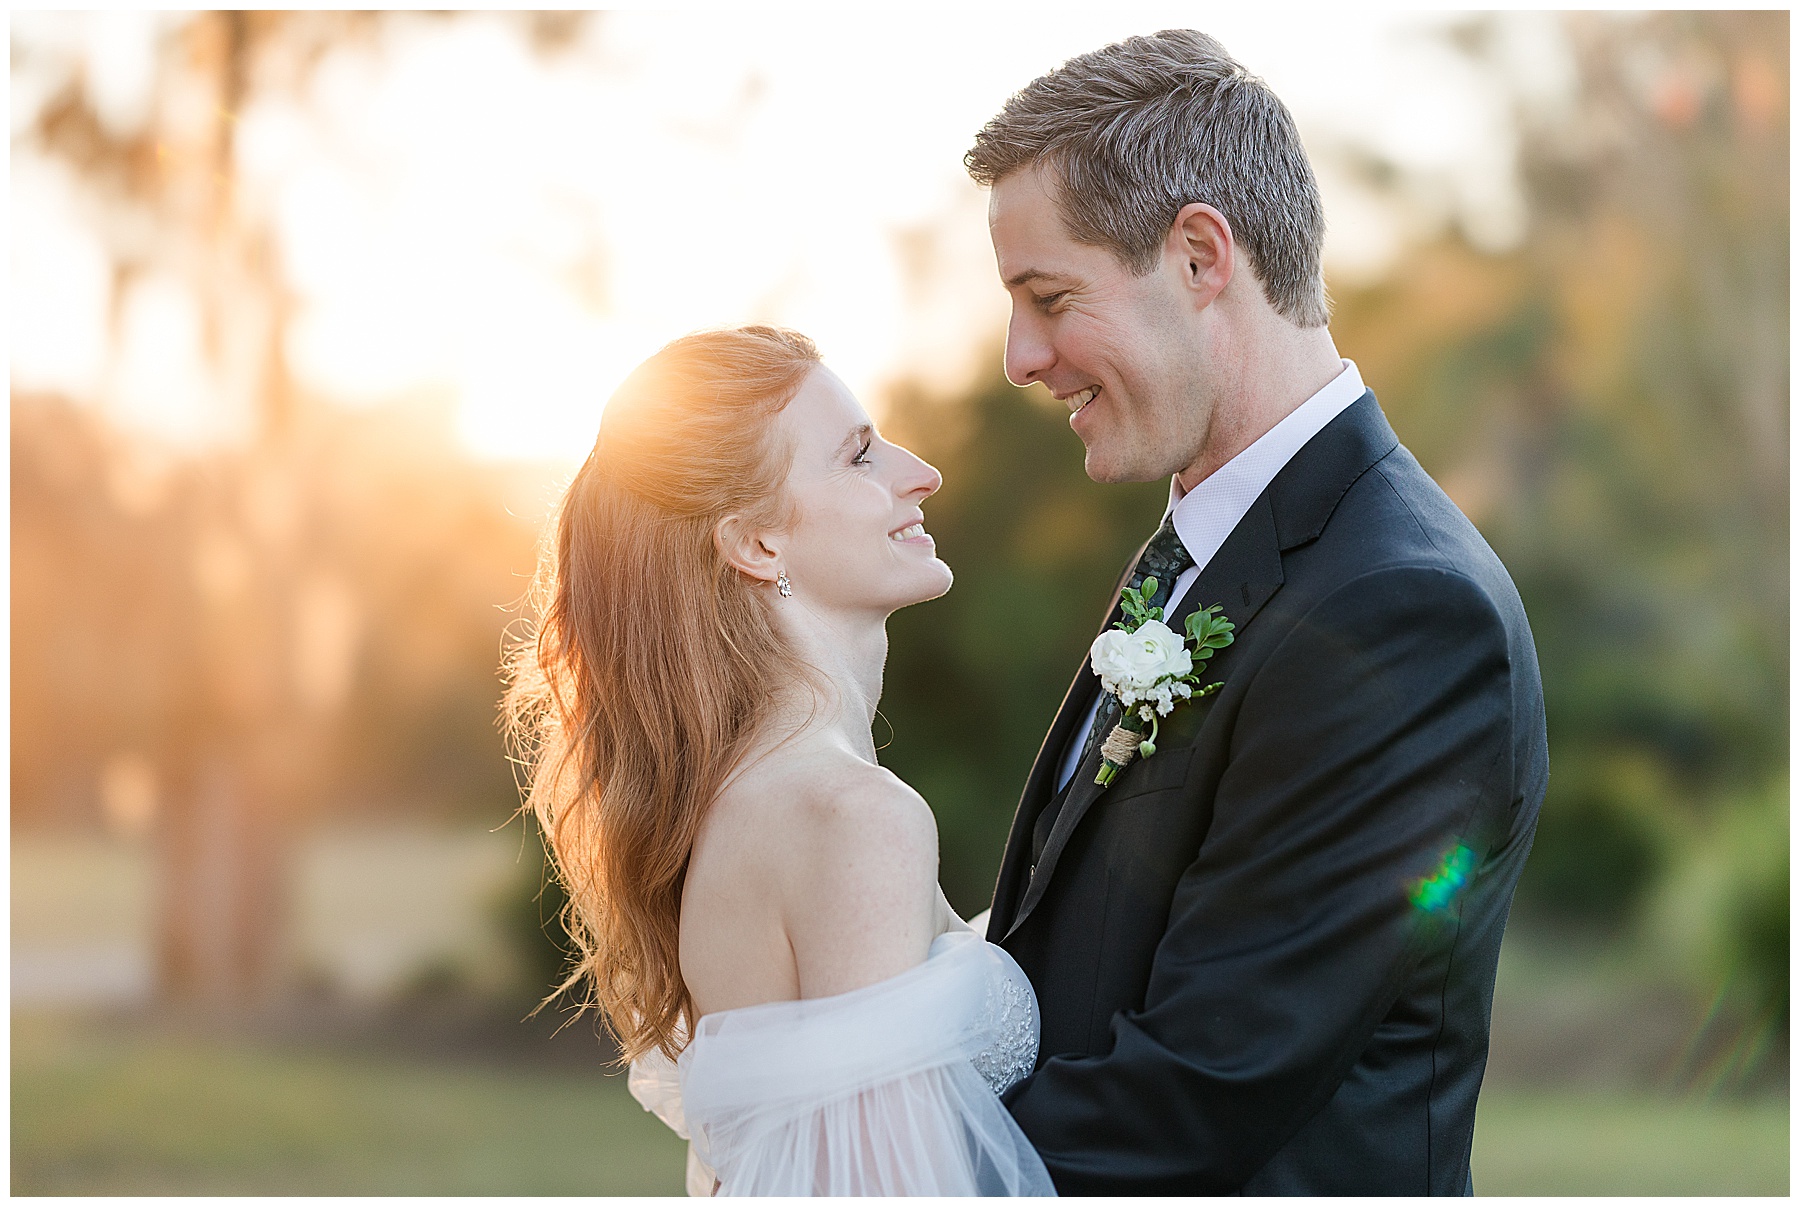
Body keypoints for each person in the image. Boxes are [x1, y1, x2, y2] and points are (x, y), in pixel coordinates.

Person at [964, 30, 1549, 1194]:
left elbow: (1203, 1086)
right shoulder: (1202, 546)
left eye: (1050, 298)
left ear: (1199, 256)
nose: (1022, 357)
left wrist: (857, 1166)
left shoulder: (1401, 611)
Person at [503, 326, 1054, 1196]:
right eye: (859, 455)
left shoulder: (744, 804)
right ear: (757, 544)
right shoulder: (853, 817)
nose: (922, 473)